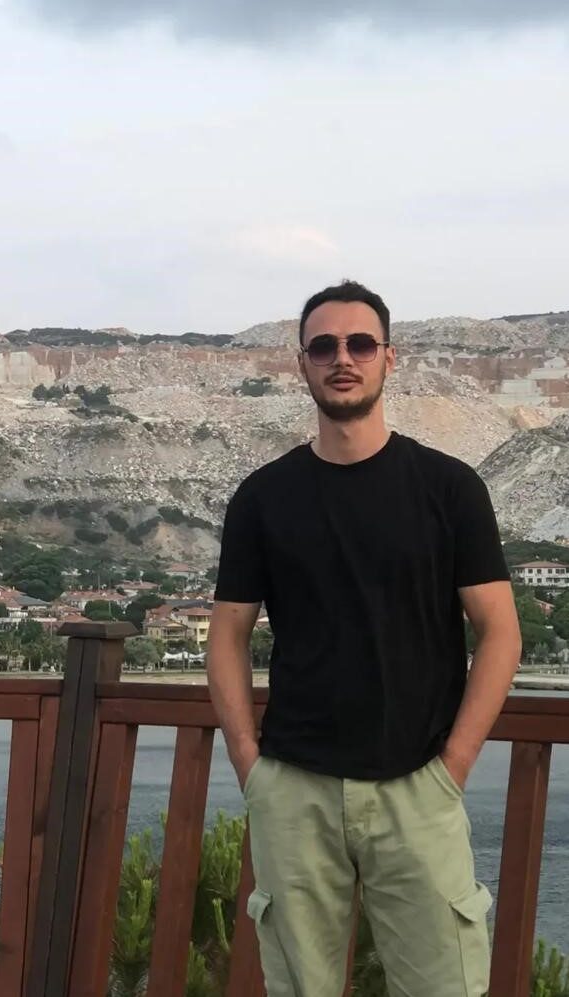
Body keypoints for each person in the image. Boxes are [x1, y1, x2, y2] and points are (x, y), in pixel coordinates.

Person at [206, 279, 521, 996]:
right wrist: (251, 766)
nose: (341, 358)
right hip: (294, 790)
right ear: (301, 364)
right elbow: (227, 635)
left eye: (359, 344)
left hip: (418, 787)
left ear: (388, 357)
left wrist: (454, 765)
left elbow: (499, 632)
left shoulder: (449, 488)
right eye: (323, 346)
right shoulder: (262, 497)